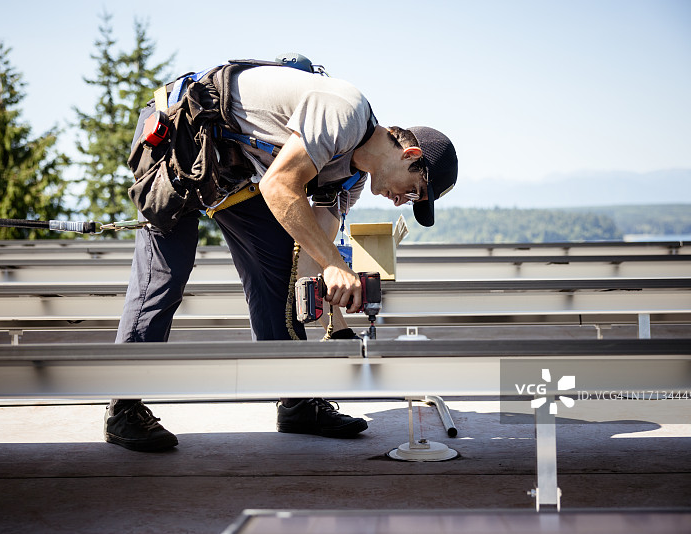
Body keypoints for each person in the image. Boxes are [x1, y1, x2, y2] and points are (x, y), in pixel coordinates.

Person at [103, 57, 458, 452]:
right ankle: (123, 408)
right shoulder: (345, 110)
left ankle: (296, 402)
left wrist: (336, 322)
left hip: (232, 170)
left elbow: (308, 257)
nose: (401, 202)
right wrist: (334, 265)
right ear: (410, 154)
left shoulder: (349, 181)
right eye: (414, 191)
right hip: (180, 132)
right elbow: (280, 186)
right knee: (166, 273)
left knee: (277, 272)